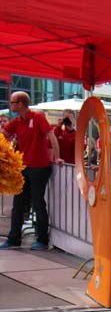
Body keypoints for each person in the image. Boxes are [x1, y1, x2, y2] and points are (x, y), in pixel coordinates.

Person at [0, 91, 62, 250]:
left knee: (38, 203)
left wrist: (57, 157)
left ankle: (42, 240)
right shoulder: (16, 121)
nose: (10, 105)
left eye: (12, 102)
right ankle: (14, 239)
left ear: (20, 104)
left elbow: (52, 137)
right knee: (18, 205)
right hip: (24, 168)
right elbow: (2, 135)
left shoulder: (38, 117)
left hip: (40, 168)